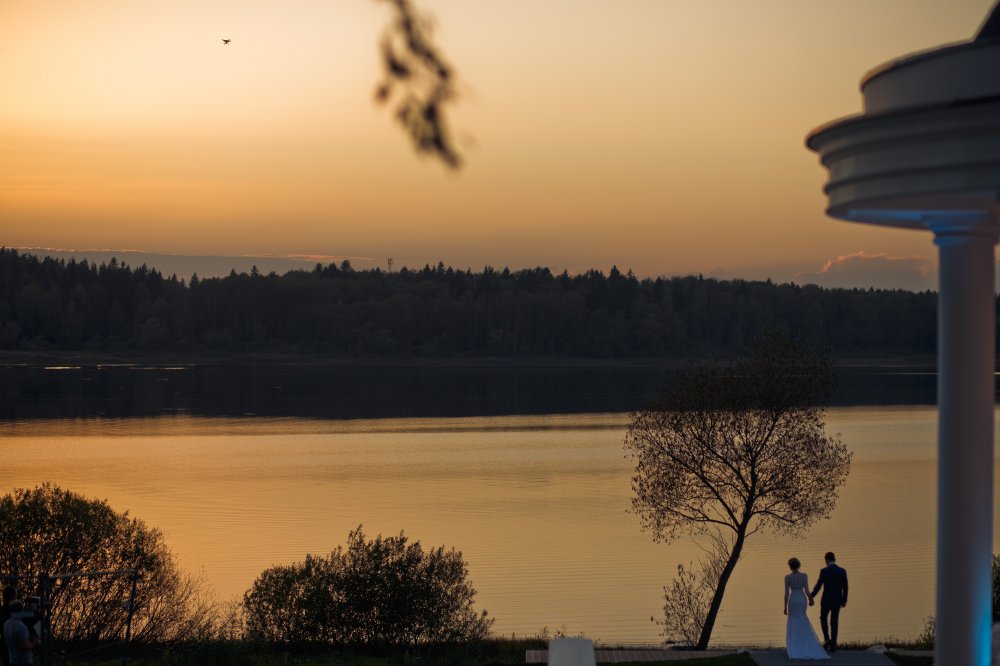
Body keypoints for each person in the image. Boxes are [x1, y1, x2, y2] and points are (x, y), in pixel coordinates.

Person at [784, 557, 830, 660]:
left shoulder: (787, 578)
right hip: (802, 599)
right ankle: (804, 643)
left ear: (790, 566)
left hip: (793, 599)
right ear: (798, 565)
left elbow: (786, 594)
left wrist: (784, 606)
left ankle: (794, 645)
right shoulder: (804, 576)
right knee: (802, 619)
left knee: (793, 621)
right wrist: (811, 599)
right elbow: (807, 591)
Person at [810, 551, 848, 652]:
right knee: (834, 621)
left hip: (826, 600)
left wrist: (811, 596)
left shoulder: (824, 571)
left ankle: (827, 640)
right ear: (834, 559)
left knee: (823, 618)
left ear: (826, 560)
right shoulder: (842, 571)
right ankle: (834, 644)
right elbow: (845, 587)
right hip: (837, 600)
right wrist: (844, 600)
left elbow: (819, 586)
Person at [3, 600, 39, 666]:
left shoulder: (6, 624)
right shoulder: (21, 627)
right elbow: (24, 647)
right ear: (21, 611)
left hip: (12, 661)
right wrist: (34, 643)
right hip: (24, 662)